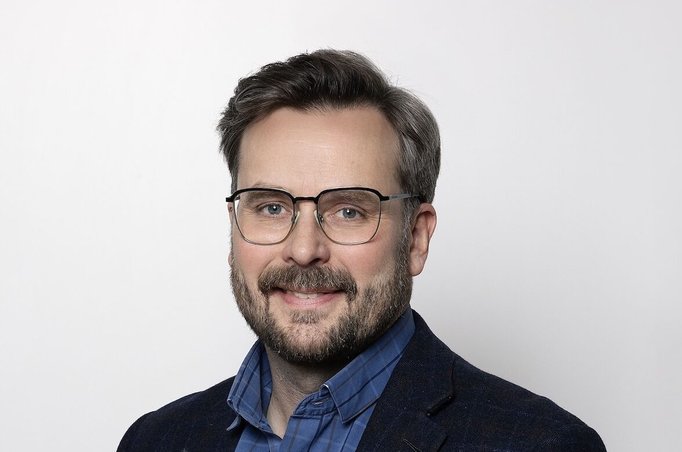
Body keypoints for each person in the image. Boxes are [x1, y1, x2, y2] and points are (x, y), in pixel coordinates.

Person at [117, 49, 606, 451]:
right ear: (233, 229)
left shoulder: (543, 444)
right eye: (271, 207)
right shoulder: (155, 440)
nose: (303, 249)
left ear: (415, 238)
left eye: (349, 211)